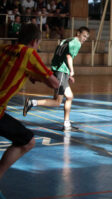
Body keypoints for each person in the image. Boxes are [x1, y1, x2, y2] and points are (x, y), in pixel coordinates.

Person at [0, 24, 59, 179]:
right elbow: (54, 83)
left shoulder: (5, 48)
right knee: (27, 141)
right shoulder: (29, 54)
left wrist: (32, 75)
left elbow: (13, 68)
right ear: (34, 42)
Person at [23, 26, 90, 132]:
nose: (85, 39)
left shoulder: (65, 40)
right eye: (84, 36)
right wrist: (71, 71)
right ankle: (32, 103)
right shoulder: (76, 43)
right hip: (61, 72)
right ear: (78, 33)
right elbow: (69, 57)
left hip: (59, 71)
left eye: (87, 37)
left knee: (69, 97)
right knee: (58, 101)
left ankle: (66, 124)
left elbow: (58, 56)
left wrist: (64, 74)